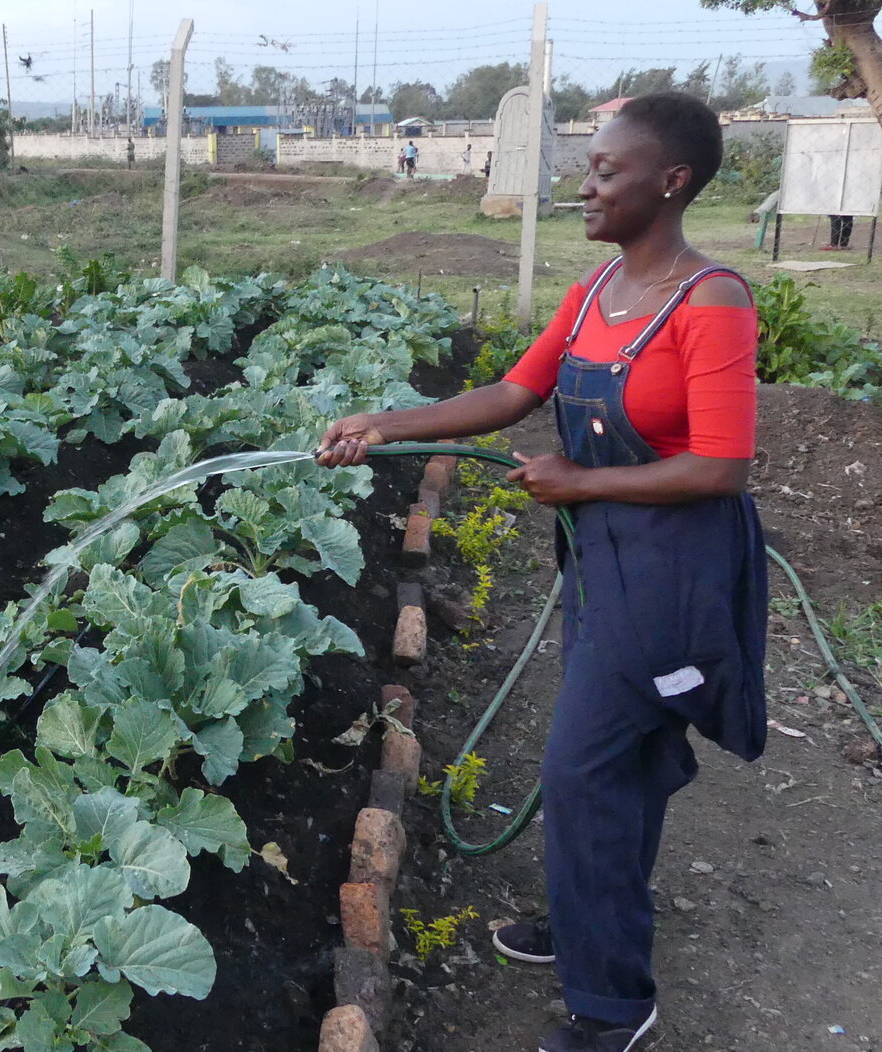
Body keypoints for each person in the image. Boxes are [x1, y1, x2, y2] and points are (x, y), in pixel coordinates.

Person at [317, 93, 763, 1052]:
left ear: (672, 180)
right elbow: (514, 392)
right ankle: (586, 918)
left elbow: (724, 464)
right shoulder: (595, 293)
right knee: (620, 757)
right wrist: (383, 426)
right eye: (588, 166)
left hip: (676, 568)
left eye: (607, 169)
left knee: (582, 767)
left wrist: (581, 477)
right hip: (602, 556)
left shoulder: (712, 299)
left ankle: (614, 1004)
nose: (586, 183)